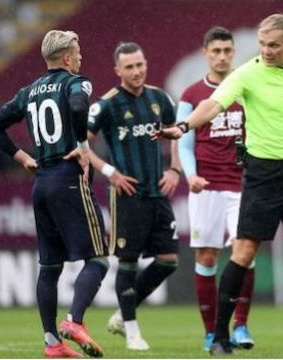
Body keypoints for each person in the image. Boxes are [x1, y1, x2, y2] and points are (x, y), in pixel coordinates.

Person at [155, 14, 283, 355]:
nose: (266, 51)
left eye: (274, 45)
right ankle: (220, 336)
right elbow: (213, 104)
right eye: (262, 44)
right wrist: (184, 126)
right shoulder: (247, 72)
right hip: (261, 173)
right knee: (243, 252)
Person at [0, 30, 108, 358]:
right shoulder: (76, 82)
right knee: (97, 258)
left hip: (42, 184)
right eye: (77, 52)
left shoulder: (29, 91)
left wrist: (23, 157)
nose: (80, 57)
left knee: (50, 267)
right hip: (69, 177)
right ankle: (74, 321)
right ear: (67, 58)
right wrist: (82, 146)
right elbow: (80, 105)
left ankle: (52, 343)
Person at [87, 42, 181, 351]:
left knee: (168, 261)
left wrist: (174, 170)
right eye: (129, 67)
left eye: (140, 64)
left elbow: (175, 133)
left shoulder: (160, 99)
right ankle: (131, 331)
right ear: (118, 71)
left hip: (157, 192)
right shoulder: (107, 105)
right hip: (126, 194)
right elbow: (80, 145)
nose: (137, 71)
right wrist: (109, 171)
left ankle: (121, 314)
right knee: (128, 263)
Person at [177, 26, 255, 352]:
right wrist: (191, 176)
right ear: (206, 53)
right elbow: (184, 142)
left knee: (243, 254)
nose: (222, 56)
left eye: (227, 50)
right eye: (216, 51)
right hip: (206, 186)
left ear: (233, 52)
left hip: (241, 186)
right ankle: (211, 332)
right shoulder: (191, 95)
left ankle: (240, 326)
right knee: (207, 257)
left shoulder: (247, 89)